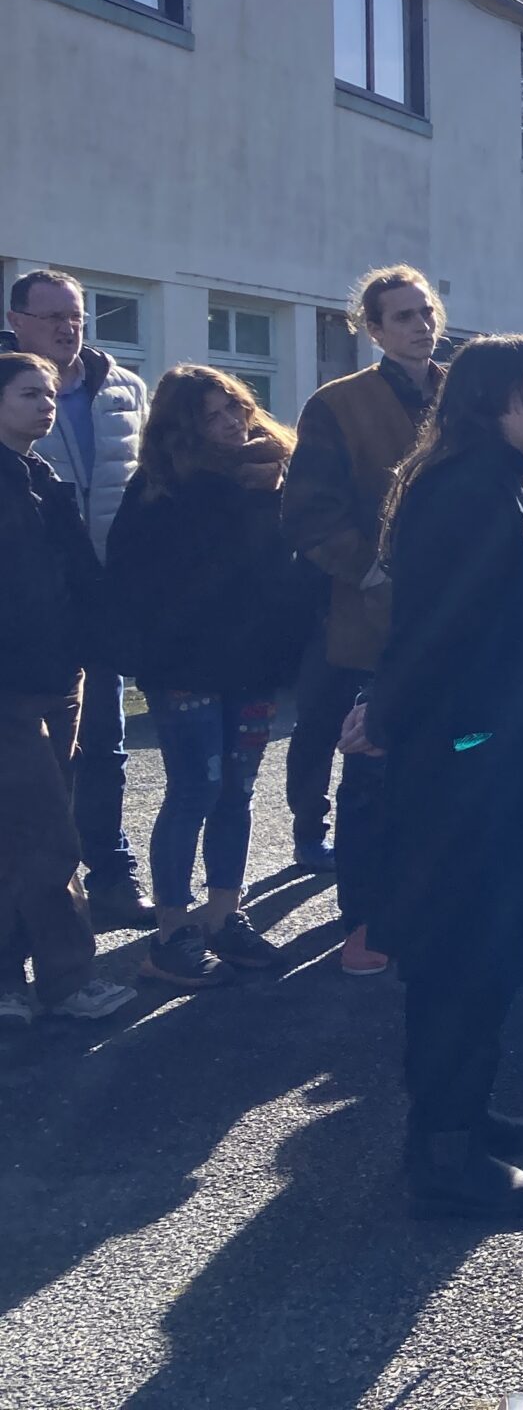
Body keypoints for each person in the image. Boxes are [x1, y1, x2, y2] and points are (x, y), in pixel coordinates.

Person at [338, 336, 523, 1220]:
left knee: (479, 955)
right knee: (461, 957)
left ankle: (461, 1117)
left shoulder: (505, 478)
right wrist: (392, 716)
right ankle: (445, 1152)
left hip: (487, 760)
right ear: (490, 395)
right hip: (472, 767)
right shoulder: (472, 488)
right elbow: (436, 626)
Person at [104, 367, 320, 989]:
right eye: (212, 416)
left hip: (252, 665)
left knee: (238, 791)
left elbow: (283, 569)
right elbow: (144, 578)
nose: (231, 424)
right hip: (186, 667)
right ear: (183, 427)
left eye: (236, 409)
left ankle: (225, 916)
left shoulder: (273, 473)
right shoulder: (161, 486)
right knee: (193, 790)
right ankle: (171, 934)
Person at [280, 265, 444, 974]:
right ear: (373, 330)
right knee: (371, 769)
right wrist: (370, 568)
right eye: (403, 316)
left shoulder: (462, 393)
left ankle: (432, 902)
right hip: (373, 622)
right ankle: (366, 922)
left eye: (426, 311)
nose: (420, 325)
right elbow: (307, 512)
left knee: (449, 761)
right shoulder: (338, 404)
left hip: (456, 615)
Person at [10, 270, 151, 930]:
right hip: (34, 606)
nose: (68, 327)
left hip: (108, 595)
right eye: (52, 316)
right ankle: (40, 900)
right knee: (37, 762)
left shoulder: (123, 388)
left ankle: (111, 875)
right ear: (16, 320)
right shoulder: (11, 388)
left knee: (105, 744)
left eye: (77, 315)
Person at [0, 353, 135, 1026]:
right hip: (12, 688)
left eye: (50, 395)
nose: (46, 405)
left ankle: (9, 982)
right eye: (30, 394)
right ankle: (66, 979)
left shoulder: (42, 478)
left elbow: (80, 580)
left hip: (59, 680)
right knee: (50, 836)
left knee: (21, 837)